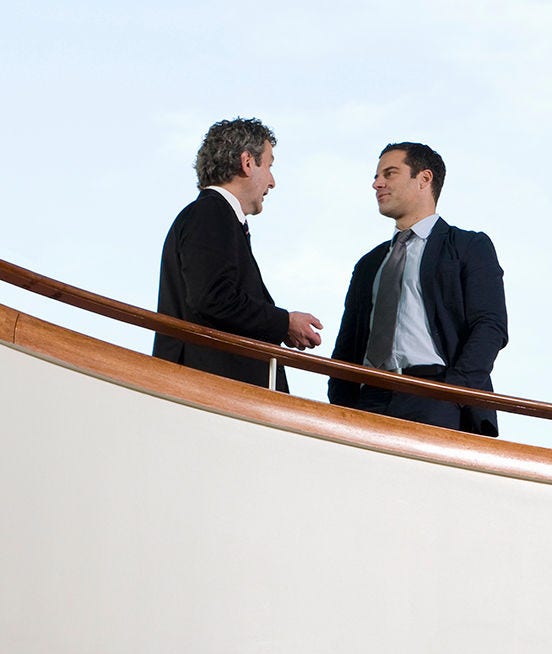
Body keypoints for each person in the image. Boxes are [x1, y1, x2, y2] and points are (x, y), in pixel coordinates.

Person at [328, 142, 507, 433]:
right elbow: (347, 344)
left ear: (424, 179)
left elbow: (490, 326)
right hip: (368, 399)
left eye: (389, 173)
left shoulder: (468, 247)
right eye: (376, 176)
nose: (377, 184)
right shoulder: (369, 264)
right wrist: (343, 402)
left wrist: (453, 394)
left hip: (436, 397)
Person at [154, 117, 322, 390]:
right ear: (247, 162)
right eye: (268, 165)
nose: (272, 181)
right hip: (212, 389)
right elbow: (214, 298)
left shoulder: (214, 216)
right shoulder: (211, 213)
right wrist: (284, 323)